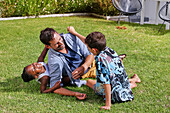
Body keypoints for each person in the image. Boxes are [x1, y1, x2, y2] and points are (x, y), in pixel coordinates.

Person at [68, 28, 141, 110]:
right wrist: (75, 33)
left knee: (89, 82)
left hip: (116, 95)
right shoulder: (108, 50)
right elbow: (86, 41)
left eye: (88, 48)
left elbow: (107, 84)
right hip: (124, 86)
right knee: (109, 81)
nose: (87, 48)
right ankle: (132, 83)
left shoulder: (100, 61)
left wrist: (108, 104)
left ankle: (132, 83)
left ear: (94, 50)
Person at [39, 27, 94, 93]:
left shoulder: (70, 37)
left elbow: (89, 55)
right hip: (83, 74)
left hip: (89, 64)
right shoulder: (53, 60)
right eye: (57, 44)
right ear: (48, 46)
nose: (61, 43)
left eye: (60, 38)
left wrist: (83, 67)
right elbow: (55, 85)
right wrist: (74, 94)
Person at [21, 61, 87, 100]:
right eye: (34, 69)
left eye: (32, 64)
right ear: (36, 76)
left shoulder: (40, 63)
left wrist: (46, 47)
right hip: (55, 80)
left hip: (55, 71)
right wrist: (54, 87)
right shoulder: (45, 78)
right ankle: (81, 77)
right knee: (70, 77)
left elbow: (42, 55)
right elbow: (43, 91)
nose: (35, 65)